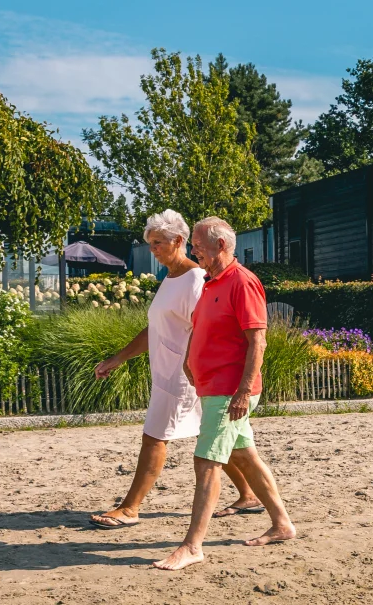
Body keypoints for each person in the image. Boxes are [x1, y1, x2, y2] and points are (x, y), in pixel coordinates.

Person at [91, 210, 264, 528]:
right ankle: (249, 494)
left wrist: (196, 370)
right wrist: (119, 357)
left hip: (185, 377)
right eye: (150, 243)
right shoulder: (170, 279)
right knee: (220, 439)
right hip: (169, 373)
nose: (153, 248)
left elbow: (208, 330)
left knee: (155, 437)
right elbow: (155, 328)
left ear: (179, 241)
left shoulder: (195, 279)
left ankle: (130, 508)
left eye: (158, 242)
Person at [153, 217, 296, 571]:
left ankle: (192, 546)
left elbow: (257, 341)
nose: (194, 250)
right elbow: (203, 328)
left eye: (199, 244)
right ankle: (282, 524)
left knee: (206, 461)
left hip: (230, 390)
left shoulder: (243, 282)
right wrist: (190, 359)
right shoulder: (211, 281)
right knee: (245, 457)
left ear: (220, 245)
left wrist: (243, 391)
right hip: (212, 387)